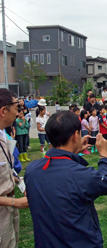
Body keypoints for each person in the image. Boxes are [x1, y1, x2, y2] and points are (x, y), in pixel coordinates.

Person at [24, 111, 107, 248]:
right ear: (75, 135)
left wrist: (73, 151)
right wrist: (103, 155)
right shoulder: (80, 175)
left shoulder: (32, 170)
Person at [0, 88, 29, 248]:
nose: (19, 113)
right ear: (4, 110)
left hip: (8, 208)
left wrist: (21, 183)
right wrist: (15, 202)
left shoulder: (3, 135)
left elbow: (8, 169)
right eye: (16, 107)